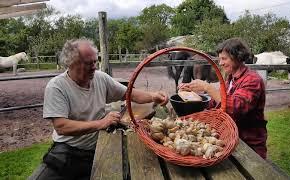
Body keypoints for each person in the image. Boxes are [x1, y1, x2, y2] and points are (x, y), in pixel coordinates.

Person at [29, 38, 168, 180]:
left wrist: (153, 96)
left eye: (96, 61)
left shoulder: (100, 78)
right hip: (67, 150)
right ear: (71, 63)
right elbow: (61, 127)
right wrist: (102, 123)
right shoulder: (57, 87)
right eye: (89, 63)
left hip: (99, 147)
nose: (94, 66)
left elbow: (129, 94)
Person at [178, 38, 267, 159]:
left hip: (250, 143)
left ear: (237, 57)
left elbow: (235, 107)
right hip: (231, 139)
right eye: (220, 59)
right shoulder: (230, 79)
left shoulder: (252, 80)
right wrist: (193, 94)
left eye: (224, 59)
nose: (220, 63)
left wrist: (207, 87)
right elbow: (216, 103)